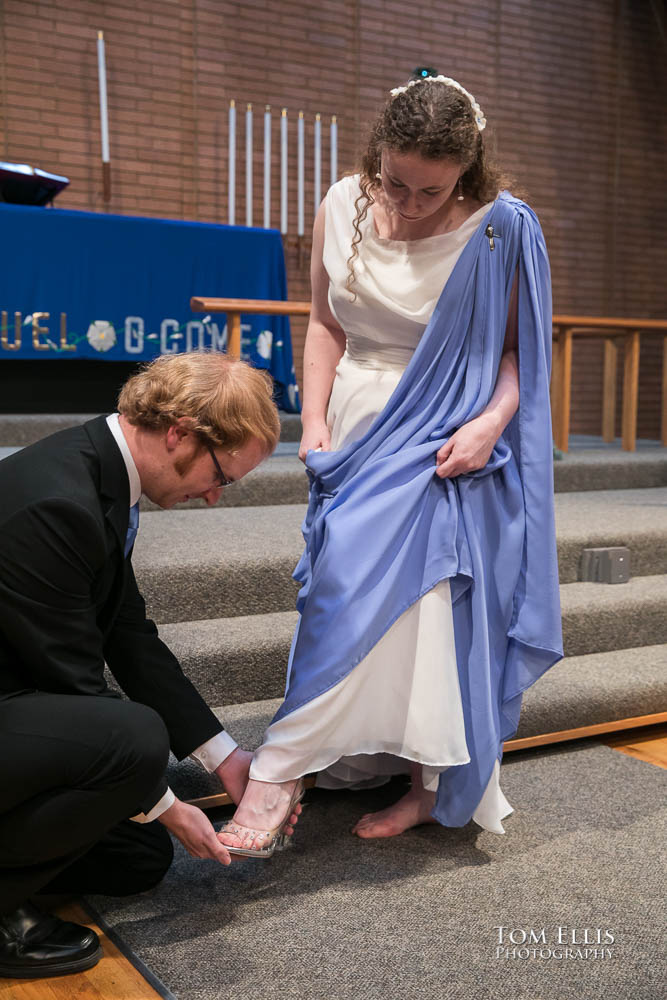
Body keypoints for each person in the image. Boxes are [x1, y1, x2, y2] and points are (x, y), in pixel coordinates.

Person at [218, 71, 563, 857]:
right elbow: (322, 322)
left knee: (431, 605)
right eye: (394, 181)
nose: (406, 203)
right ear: (376, 153)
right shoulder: (342, 201)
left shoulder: (501, 228)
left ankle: (412, 783)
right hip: (355, 423)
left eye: (428, 191)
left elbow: (519, 353)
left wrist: (488, 423)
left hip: (448, 427)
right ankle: (302, 761)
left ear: (466, 173)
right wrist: (313, 425)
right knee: (338, 585)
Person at [0, 352, 301, 979]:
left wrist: (226, 758)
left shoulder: (103, 475)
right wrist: (164, 802)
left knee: (138, 858)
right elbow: (74, 686)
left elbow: (130, 637)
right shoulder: (58, 502)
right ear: (180, 433)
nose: (216, 498)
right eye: (222, 475)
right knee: (135, 739)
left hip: (18, 707)